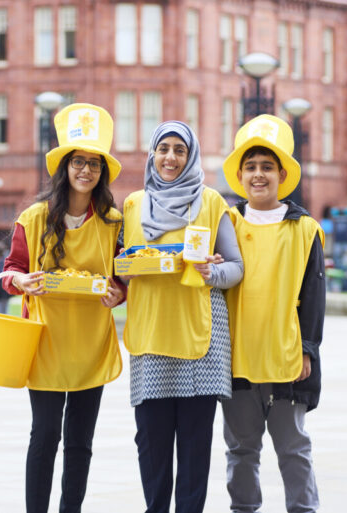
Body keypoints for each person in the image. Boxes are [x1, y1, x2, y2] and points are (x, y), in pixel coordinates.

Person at [1, 103, 126, 513]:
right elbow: (10, 271)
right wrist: (20, 281)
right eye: (78, 161)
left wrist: (118, 293)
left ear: (102, 171)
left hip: (92, 343)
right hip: (47, 342)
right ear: (65, 167)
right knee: (44, 436)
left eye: (93, 163)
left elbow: (123, 274)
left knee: (80, 441)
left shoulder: (113, 221)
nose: (85, 170)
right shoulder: (33, 218)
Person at [121, 120, 243, 513]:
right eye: (164, 149)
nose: (170, 158)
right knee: (151, 444)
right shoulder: (133, 205)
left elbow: (236, 267)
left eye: (180, 150)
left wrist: (212, 272)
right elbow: (119, 267)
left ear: (191, 157)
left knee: (194, 446)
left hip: (201, 338)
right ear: (152, 154)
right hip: (151, 334)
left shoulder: (211, 203)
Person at [220, 115, 325, 513]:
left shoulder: (306, 230)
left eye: (267, 167)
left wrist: (308, 351)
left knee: (293, 449)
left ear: (283, 174)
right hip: (238, 359)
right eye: (251, 167)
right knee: (241, 450)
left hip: (287, 360)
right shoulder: (226, 224)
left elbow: (314, 297)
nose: (258, 175)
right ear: (240, 174)